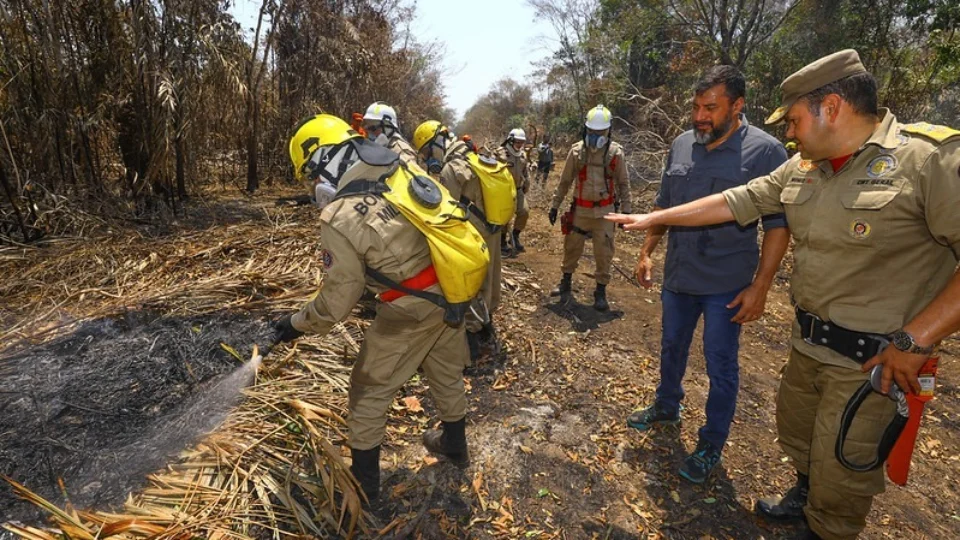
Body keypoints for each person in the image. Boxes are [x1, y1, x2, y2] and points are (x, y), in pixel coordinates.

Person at [607, 49, 960, 540]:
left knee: (844, 466)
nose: (789, 133)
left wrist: (918, 338)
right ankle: (803, 495)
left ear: (831, 107)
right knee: (801, 438)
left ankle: (826, 524)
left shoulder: (928, 162)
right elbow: (736, 201)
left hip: (875, 359)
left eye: (794, 120)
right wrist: (655, 219)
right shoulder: (805, 168)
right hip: (808, 343)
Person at [275, 114, 474, 505]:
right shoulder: (399, 166)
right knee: (444, 371)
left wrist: (295, 324)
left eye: (314, 172)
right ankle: (455, 445)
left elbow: (338, 299)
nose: (316, 184)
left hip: (409, 310)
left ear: (326, 160)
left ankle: (364, 490)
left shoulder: (339, 216)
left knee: (367, 391)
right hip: (451, 288)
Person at [624, 65, 791, 484]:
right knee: (671, 347)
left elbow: (777, 226)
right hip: (679, 278)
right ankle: (667, 405)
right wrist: (647, 254)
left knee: (720, 365)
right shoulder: (681, 144)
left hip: (726, 286)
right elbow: (664, 206)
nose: (700, 116)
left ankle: (711, 443)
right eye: (696, 107)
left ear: (738, 106)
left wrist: (761, 285)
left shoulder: (766, 152)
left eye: (710, 108)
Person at [414, 119, 502, 360]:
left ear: (437, 143)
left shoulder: (451, 169)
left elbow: (446, 208)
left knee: (471, 287)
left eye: (426, 152)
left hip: (474, 235)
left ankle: (474, 346)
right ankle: (489, 334)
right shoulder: (475, 154)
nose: (426, 158)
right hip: (493, 228)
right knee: (490, 282)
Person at [548, 105, 632, 311]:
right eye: (591, 132)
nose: (595, 136)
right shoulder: (577, 152)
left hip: (605, 212)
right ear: (586, 130)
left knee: (604, 253)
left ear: (608, 131)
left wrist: (627, 213)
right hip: (581, 210)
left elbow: (623, 183)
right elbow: (564, 181)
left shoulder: (615, 153)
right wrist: (554, 205)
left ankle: (600, 292)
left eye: (599, 132)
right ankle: (565, 282)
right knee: (572, 247)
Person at [496, 128, 530, 255]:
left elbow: (525, 171)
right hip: (504, 191)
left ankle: (515, 236)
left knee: (524, 212)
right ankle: (502, 241)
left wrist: (527, 183)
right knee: (505, 216)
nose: (519, 144)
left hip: (518, 189)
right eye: (517, 141)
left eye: (522, 142)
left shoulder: (522, 154)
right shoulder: (500, 154)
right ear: (510, 140)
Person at [362, 101, 418, 166]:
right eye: (367, 128)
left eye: (373, 128)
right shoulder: (379, 146)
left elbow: (409, 174)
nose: (369, 132)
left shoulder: (402, 151)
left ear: (387, 127)